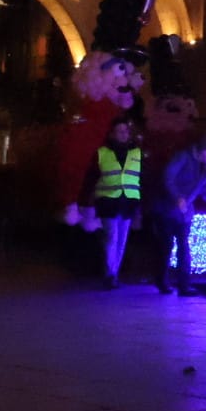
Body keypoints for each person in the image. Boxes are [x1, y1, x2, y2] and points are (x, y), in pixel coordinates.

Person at [153, 133, 206, 296]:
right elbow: (168, 177)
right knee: (166, 246)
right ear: (204, 151)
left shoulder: (205, 167)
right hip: (167, 210)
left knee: (183, 246)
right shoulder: (183, 157)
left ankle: (184, 284)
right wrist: (178, 197)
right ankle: (162, 280)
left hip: (184, 213)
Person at [85, 118, 143, 289]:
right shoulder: (102, 152)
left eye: (125, 131)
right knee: (112, 237)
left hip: (128, 201)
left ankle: (113, 273)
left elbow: (142, 178)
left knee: (121, 240)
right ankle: (109, 273)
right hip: (108, 200)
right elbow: (92, 177)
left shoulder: (136, 152)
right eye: (119, 131)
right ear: (112, 134)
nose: (123, 135)